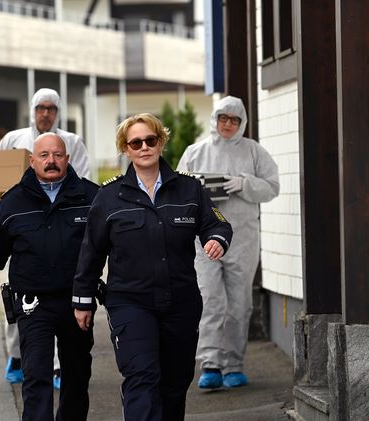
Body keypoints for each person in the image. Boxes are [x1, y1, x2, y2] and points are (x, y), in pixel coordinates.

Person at [73, 113, 233, 420]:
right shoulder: (109, 197)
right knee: (141, 376)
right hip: (130, 302)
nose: (144, 147)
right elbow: (91, 252)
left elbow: (217, 224)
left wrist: (216, 239)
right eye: (136, 143)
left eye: (150, 140)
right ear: (126, 149)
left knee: (175, 383)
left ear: (161, 142)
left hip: (181, 302)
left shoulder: (189, 189)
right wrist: (82, 301)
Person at [0, 133, 98, 421]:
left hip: (78, 303)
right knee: (36, 375)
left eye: (58, 155)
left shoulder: (91, 197)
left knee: (77, 375)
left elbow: (114, 248)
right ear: (32, 160)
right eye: (44, 155)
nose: (51, 161)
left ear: (67, 159)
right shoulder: (13, 202)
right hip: (32, 304)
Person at [176, 95, 279, 389]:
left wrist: (245, 184)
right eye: (223, 118)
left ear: (242, 122)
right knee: (209, 299)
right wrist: (196, 186)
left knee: (240, 303)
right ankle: (210, 363)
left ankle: (234, 364)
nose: (228, 124)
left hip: (242, 239)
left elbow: (272, 187)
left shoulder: (253, 151)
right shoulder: (195, 152)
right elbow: (176, 190)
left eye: (234, 119)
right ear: (215, 119)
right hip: (205, 239)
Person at [0, 87, 91, 387]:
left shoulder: (72, 142)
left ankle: (58, 367)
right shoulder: (13, 139)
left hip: (64, 229)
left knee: (64, 304)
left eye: (51, 108)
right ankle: (17, 356)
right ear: (33, 110)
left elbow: (84, 182)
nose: (45, 114)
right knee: (22, 298)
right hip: (24, 230)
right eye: (40, 108)